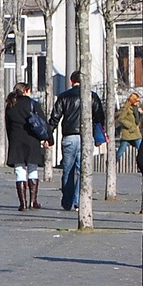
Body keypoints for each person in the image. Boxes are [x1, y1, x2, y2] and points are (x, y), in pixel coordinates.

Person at [48, 70, 107, 211]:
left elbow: (54, 118)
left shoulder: (64, 96)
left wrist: (48, 136)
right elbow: (99, 118)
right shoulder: (92, 96)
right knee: (83, 171)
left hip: (69, 137)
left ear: (71, 81)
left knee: (68, 170)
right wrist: (99, 137)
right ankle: (78, 201)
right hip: (86, 138)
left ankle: (67, 201)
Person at [4, 82, 46, 211]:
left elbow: (8, 125)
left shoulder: (10, 105)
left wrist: (11, 139)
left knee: (19, 171)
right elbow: (42, 123)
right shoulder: (33, 104)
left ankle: (22, 203)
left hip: (17, 140)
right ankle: (33, 201)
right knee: (33, 168)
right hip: (32, 139)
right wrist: (47, 139)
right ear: (26, 91)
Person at [115, 92, 143, 161]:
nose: (138, 103)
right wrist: (130, 125)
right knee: (120, 152)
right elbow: (120, 119)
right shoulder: (126, 108)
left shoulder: (136, 109)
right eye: (136, 101)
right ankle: (112, 164)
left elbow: (137, 121)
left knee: (142, 151)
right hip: (127, 134)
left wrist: (140, 114)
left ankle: (142, 165)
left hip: (136, 134)